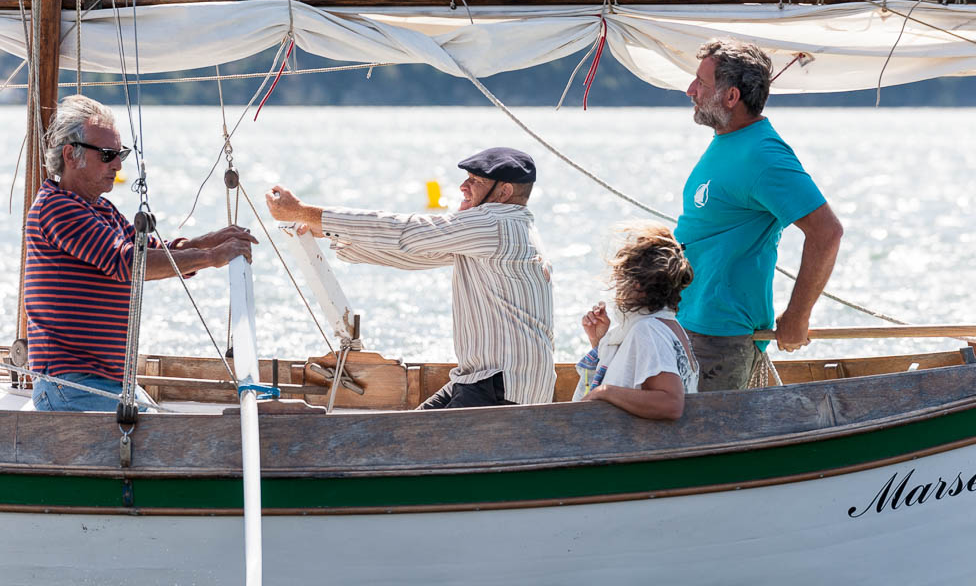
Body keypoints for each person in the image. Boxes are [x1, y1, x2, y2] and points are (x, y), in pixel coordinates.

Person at [265, 147, 555, 408]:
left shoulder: (495, 223)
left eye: (475, 181)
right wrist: (331, 233)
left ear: (503, 192)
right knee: (411, 433)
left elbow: (406, 231)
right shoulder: (515, 228)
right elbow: (414, 255)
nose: (463, 186)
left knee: (414, 441)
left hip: (500, 385)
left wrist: (304, 212)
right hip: (490, 380)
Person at [26, 95, 257, 412]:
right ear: (70, 155)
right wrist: (210, 258)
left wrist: (206, 243)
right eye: (107, 155)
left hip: (105, 383)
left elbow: (149, 251)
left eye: (120, 154)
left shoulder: (101, 210)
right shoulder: (57, 208)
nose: (118, 165)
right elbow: (126, 262)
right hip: (70, 386)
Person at [675, 38, 844, 391]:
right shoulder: (728, 138)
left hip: (720, 338)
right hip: (690, 323)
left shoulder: (764, 155)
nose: (690, 90)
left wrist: (797, 316)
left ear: (731, 96)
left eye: (701, 83)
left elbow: (827, 232)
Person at [573, 224, 698, 420]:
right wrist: (599, 341)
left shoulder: (648, 330)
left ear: (637, 286)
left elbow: (671, 403)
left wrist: (605, 391)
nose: (618, 287)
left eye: (621, 278)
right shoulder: (670, 326)